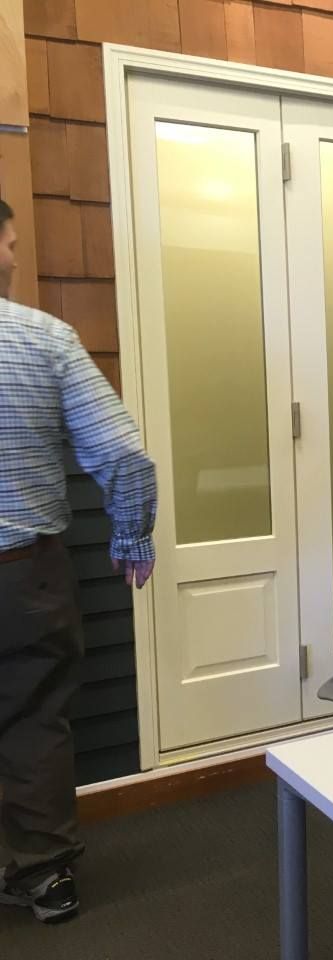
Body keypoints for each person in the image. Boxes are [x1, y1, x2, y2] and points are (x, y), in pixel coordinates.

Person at [0, 199, 157, 923]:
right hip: (23, 575)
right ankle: (43, 878)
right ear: (3, 246)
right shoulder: (44, 339)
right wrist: (131, 539)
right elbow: (123, 453)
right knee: (34, 716)